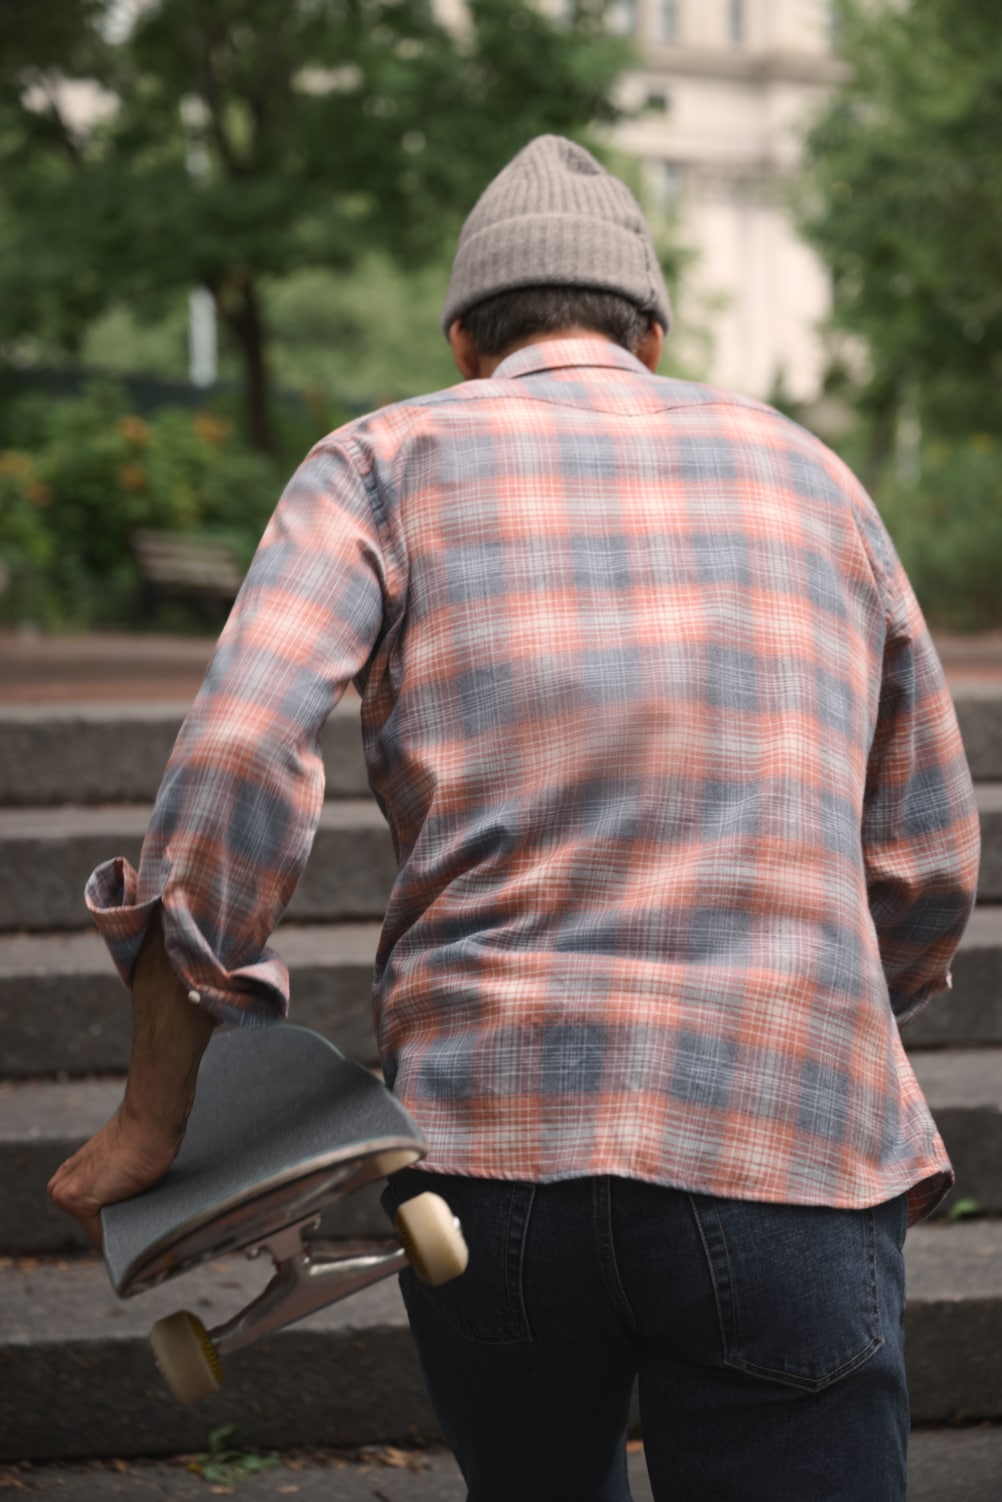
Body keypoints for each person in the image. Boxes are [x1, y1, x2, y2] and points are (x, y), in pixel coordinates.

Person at [50, 136, 980, 1501]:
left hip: (487, 1166)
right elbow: (928, 862)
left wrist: (156, 1099)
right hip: (791, 1142)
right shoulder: (814, 479)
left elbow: (242, 744)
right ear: (649, 334)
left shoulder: (381, 460)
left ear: (463, 339)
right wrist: (815, 1016)